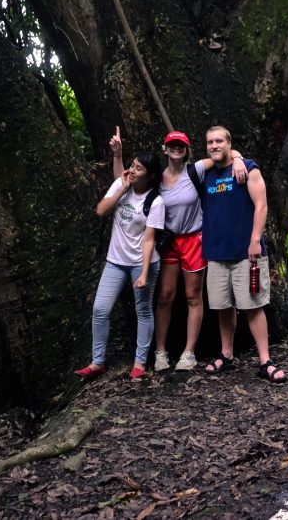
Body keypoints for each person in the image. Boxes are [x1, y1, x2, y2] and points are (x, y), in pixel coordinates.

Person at [110, 127, 245, 371]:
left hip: (194, 239)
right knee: (165, 296)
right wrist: (118, 155)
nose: (176, 149)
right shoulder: (157, 178)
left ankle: (189, 352)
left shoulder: (196, 170)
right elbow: (125, 180)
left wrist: (237, 159)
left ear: (186, 151)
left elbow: (223, 152)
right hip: (168, 241)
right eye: (172, 145)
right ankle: (161, 352)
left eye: (180, 146)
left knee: (194, 297)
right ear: (165, 149)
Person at [198, 126, 287, 383]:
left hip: (246, 253)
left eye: (219, 141)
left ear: (229, 143)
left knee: (253, 306)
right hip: (216, 253)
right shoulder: (206, 174)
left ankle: (265, 360)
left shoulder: (248, 168)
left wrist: (255, 240)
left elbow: (261, 205)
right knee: (223, 307)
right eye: (209, 142)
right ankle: (226, 355)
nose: (214, 146)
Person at [75, 145, 164, 380]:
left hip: (142, 262)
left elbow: (149, 239)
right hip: (115, 261)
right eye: (132, 165)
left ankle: (140, 362)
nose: (133, 170)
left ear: (151, 175)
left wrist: (144, 274)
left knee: (143, 311)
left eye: (139, 168)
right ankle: (97, 362)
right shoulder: (122, 184)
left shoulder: (155, 202)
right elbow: (101, 211)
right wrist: (122, 188)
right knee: (100, 309)